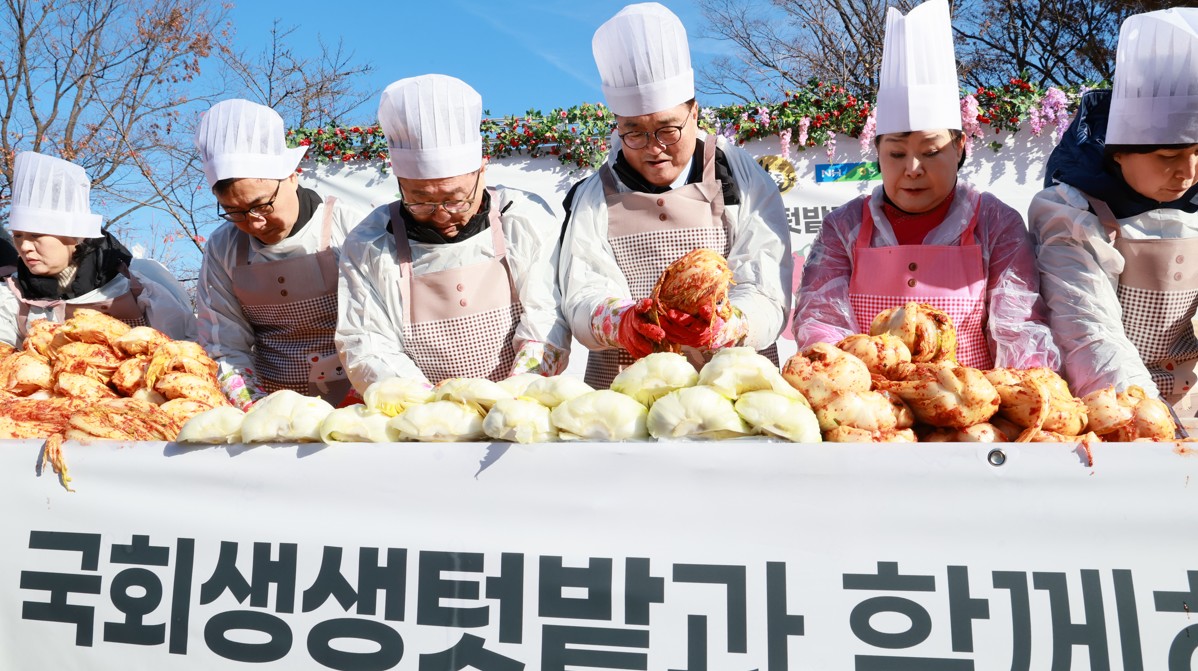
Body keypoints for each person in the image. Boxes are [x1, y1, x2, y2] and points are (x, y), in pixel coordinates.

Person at [793, 0, 1056, 371]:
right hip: (869, 408)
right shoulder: (844, 226)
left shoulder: (996, 224)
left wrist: (1018, 399)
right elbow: (821, 321)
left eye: (931, 152)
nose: (913, 169)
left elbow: (1020, 329)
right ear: (878, 153)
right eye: (897, 154)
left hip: (967, 407)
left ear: (959, 147)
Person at [559, 2, 792, 389]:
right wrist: (623, 322)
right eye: (634, 133)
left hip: (731, 389)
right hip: (626, 390)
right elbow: (583, 289)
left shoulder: (740, 178)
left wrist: (727, 323)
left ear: (694, 113)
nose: (654, 148)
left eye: (669, 130)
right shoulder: (593, 195)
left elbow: (766, 287)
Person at [336, 74, 571, 388]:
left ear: (482, 171)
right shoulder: (370, 244)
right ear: (399, 184)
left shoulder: (523, 219)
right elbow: (367, 343)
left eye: (456, 200)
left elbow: (546, 313)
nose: (441, 215)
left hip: (521, 411)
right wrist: (431, 407)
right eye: (420, 201)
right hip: (423, 423)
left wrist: (517, 391)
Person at [1031, 8, 1198, 411]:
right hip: (1103, 397)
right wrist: (1142, 409)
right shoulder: (1073, 209)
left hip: (1186, 398)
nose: (1187, 173)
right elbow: (1086, 324)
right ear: (1120, 153)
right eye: (1167, 156)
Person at [194, 99, 364, 408]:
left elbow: (379, 332)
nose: (254, 223)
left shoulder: (351, 228)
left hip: (359, 404)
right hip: (270, 406)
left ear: (291, 175)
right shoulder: (224, 248)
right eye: (235, 212)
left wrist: (356, 407)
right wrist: (256, 408)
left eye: (262, 205)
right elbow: (223, 346)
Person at [0, 151, 195, 347]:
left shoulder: (143, 279)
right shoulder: (10, 296)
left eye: (36, 236)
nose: (24, 247)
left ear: (75, 236)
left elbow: (184, 347)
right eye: (18, 236)